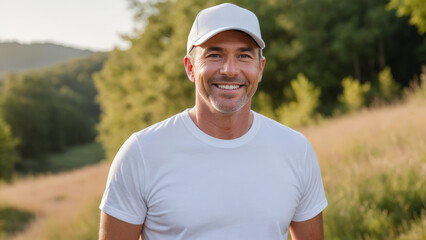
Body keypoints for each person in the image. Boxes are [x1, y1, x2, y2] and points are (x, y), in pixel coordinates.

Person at [99, 3, 327, 240]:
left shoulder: (295, 149)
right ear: (190, 68)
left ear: (260, 69)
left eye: (244, 55)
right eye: (214, 55)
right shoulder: (142, 153)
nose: (229, 70)